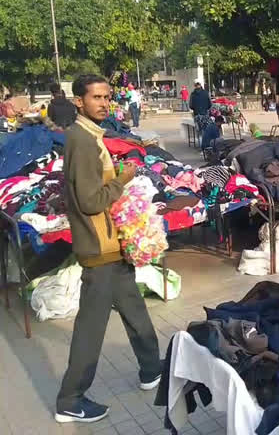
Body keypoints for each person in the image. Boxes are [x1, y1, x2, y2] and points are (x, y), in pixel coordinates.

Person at [55, 74, 162, 424]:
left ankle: (151, 371)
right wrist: (122, 179)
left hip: (111, 246)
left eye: (107, 97)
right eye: (96, 97)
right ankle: (70, 399)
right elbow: (89, 201)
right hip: (99, 248)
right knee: (91, 328)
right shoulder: (82, 140)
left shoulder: (89, 136)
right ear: (79, 102)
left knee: (134, 310)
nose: (103, 103)